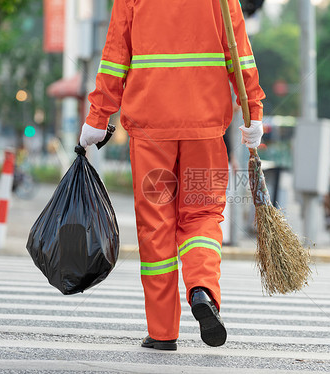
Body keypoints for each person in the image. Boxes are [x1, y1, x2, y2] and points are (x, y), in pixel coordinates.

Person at [79, 0, 265, 350]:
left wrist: (97, 117)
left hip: (151, 128)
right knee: (203, 215)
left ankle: (163, 332)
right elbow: (239, 52)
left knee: (156, 224)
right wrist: (253, 109)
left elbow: (116, 52)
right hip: (207, 128)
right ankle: (202, 289)